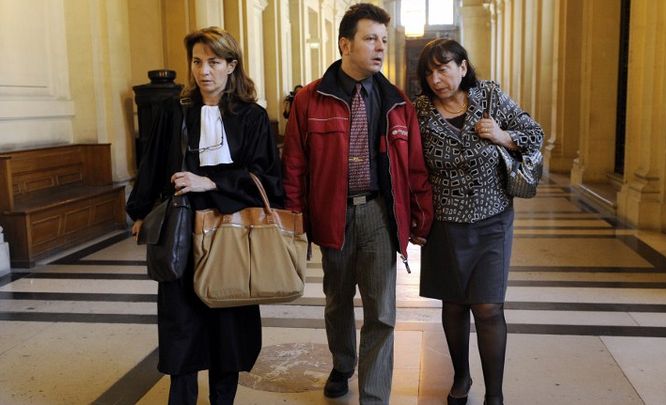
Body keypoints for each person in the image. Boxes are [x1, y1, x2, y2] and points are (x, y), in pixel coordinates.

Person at [282, 3, 434, 404]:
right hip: (331, 214)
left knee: (382, 310)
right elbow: (294, 162)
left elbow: (414, 167)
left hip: (379, 214)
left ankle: (373, 395)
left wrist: (420, 218)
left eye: (384, 40)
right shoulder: (310, 99)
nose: (380, 48)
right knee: (336, 301)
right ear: (344, 44)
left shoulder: (397, 101)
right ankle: (343, 363)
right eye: (370, 39)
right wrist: (295, 218)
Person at [126, 27, 283, 405]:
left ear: (232, 65)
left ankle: (222, 399)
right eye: (197, 62)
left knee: (227, 324)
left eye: (213, 62)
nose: (204, 71)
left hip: (231, 230)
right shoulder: (172, 111)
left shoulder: (252, 117)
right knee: (181, 323)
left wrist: (209, 181)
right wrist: (141, 211)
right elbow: (152, 166)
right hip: (181, 227)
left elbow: (268, 180)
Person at [414, 39, 543, 405]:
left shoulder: (489, 97)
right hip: (445, 224)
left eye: (443, 68)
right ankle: (460, 377)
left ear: (463, 67)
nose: (437, 79)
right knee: (454, 305)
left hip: (492, 219)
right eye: (429, 72)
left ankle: (495, 395)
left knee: (488, 308)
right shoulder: (419, 111)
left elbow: (535, 134)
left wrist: (503, 136)